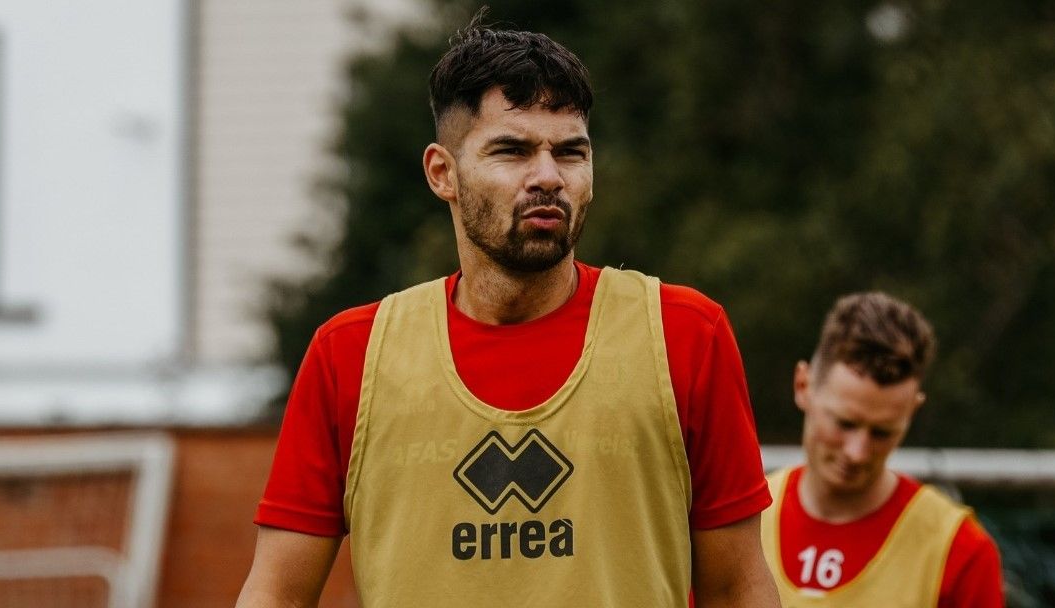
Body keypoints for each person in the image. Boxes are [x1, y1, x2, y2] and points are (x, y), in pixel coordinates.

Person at [237, 15, 779, 608]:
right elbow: (276, 594)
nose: (548, 176)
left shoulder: (684, 334)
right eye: (512, 151)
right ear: (443, 173)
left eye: (570, 152)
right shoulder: (352, 353)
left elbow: (738, 589)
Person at [760, 292, 1004, 607]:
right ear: (803, 386)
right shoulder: (737, 522)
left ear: (911, 412)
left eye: (882, 432)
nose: (857, 452)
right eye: (845, 424)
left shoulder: (958, 550)